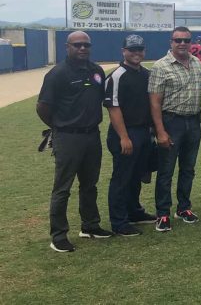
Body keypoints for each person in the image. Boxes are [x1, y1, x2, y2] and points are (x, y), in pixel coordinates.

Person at [37, 31, 112, 252]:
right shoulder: (57, 74)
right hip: (68, 137)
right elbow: (42, 107)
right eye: (77, 45)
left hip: (92, 135)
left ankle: (90, 226)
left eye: (86, 45)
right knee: (63, 188)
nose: (82, 49)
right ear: (67, 47)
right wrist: (59, 126)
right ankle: (58, 235)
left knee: (90, 184)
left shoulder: (96, 71)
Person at [149, 26, 201, 231]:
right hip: (171, 122)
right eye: (178, 40)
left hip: (193, 121)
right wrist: (160, 131)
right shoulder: (160, 66)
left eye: (186, 40)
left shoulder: (196, 62)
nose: (182, 44)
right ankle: (162, 213)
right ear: (170, 42)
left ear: (191, 43)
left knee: (188, 168)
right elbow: (154, 102)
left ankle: (184, 207)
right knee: (166, 170)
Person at [103, 34, 158, 237]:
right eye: (132, 49)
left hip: (144, 132)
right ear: (123, 51)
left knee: (137, 175)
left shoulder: (146, 74)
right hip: (125, 133)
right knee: (121, 178)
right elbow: (113, 108)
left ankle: (134, 211)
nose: (136, 53)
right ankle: (119, 222)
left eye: (139, 49)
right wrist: (124, 137)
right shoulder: (117, 76)